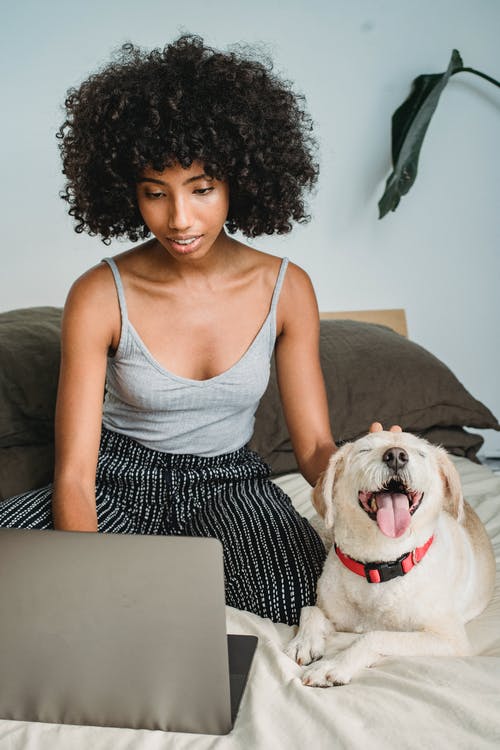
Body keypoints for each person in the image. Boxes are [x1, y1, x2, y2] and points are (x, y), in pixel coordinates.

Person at [0, 35, 398, 626]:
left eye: (202, 189)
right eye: (154, 194)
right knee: (16, 563)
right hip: (117, 478)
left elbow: (314, 448)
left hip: (228, 482)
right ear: (126, 193)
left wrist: (368, 469)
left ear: (241, 180)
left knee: (297, 594)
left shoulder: (286, 288)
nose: (179, 220)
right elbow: (75, 476)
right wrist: (87, 583)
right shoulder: (96, 294)